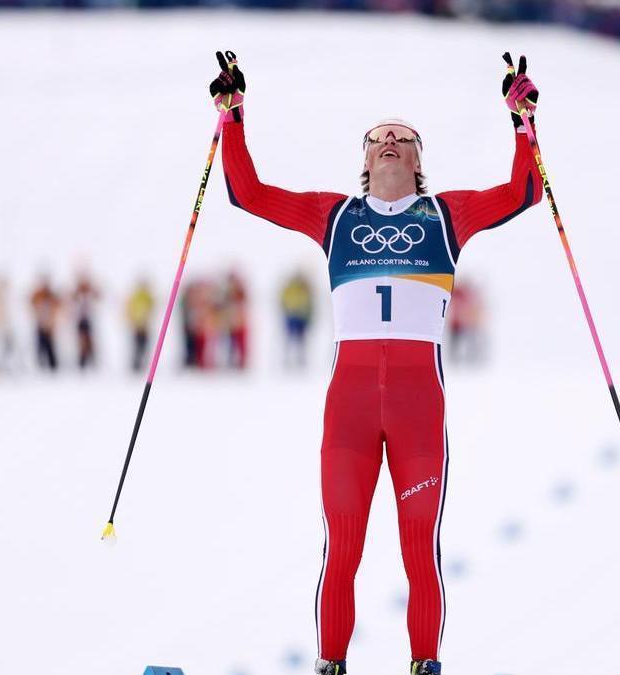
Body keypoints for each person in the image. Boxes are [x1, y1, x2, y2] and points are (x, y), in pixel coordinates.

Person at [210, 51, 541, 675]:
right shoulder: (334, 216)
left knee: (421, 550)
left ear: (418, 160)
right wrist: (233, 117)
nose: (390, 142)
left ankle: (425, 665)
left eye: (403, 138)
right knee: (342, 548)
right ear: (364, 160)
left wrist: (522, 123)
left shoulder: (447, 215)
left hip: (418, 405)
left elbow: (524, 191)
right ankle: (330, 665)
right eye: (378, 139)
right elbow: (246, 193)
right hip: (351, 407)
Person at [280, 270, 314, 369]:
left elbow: (308, 302)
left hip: (300, 316)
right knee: (290, 338)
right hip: (292, 316)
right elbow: (283, 299)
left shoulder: (304, 288)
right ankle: (288, 359)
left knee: (300, 338)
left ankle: (299, 358)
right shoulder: (291, 287)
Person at [71, 269, 101, 371]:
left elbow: (98, 297)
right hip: (80, 321)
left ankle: (92, 361)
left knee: (90, 342)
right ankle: (82, 363)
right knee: (82, 343)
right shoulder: (76, 293)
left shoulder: (90, 292)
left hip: (88, 321)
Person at [30, 276, 61, 372]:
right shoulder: (38, 295)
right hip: (40, 324)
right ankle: (40, 366)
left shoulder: (51, 296)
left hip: (49, 326)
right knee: (40, 346)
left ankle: (53, 366)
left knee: (50, 346)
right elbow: (32, 306)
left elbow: (57, 308)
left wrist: (52, 322)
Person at [126, 277, 156, 374]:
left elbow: (153, 307)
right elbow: (130, 310)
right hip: (138, 327)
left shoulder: (147, 297)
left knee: (144, 346)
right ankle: (136, 364)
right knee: (137, 346)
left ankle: (141, 364)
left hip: (145, 327)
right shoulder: (136, 296)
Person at [221, 269, 249, 369]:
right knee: (231, 343)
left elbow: (244, 303)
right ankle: (231, 361)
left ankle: (242, 362)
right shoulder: (225, 293)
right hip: (230, 323)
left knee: (241, 344)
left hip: (240, 323)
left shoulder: (240, 292)